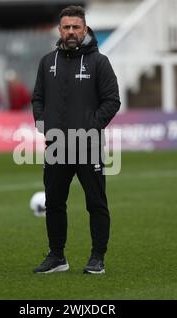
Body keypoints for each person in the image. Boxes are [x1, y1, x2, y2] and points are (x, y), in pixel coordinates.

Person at [32, 5, 120, 274]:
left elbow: (112, 101)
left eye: (76, 27)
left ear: (85, 29)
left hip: (88, 145)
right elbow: (37, 98)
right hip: (56, 145)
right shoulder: (47, 62)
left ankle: (97, 257)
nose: (71, 32)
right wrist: (43, 125)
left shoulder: (99, 62)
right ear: (60, 30)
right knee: (54, 203)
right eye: (66, 27)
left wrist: (91, 126)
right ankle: (57, 257)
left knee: (96, 202)